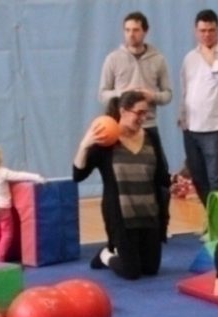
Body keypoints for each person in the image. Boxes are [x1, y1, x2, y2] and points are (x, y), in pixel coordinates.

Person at [73, 91, 170, 280]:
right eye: (139, 113)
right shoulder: (106, 141)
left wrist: (175, 182)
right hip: (122, 218)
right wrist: (85, 145)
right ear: (123, 111)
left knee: (150, 269)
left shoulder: (151, 137)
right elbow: (78, 175)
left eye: (146, 113)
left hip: (149, 214)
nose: (144, 117)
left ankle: (125, 252)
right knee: (131, 272)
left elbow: (161, 177)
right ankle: (105, 255)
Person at [178, 8, 218, 208]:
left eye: (211, 30)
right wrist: (183, 115)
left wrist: (212, 60)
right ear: (196, 31)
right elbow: (185, 88)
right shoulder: (189, 57)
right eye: (202, 30)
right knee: (198, 178)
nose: (206, 35)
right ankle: (213, 219)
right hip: (192, 127)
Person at [98, 11, 173, 171]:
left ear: (145, 31)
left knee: (159, 173)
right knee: (119, 172)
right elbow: (103, 94)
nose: (131, 34)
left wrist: (152, 96)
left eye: (136, 30)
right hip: (121, 128)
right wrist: (123, 94)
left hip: (148, 125)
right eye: (127, 30)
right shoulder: (113, 59)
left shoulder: (158, 59)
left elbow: (168, 94)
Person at [0, 142, 45, 263]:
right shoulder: (2, 172)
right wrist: (37, 177)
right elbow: (20, 176)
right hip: (3, 208)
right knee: (7, 233)